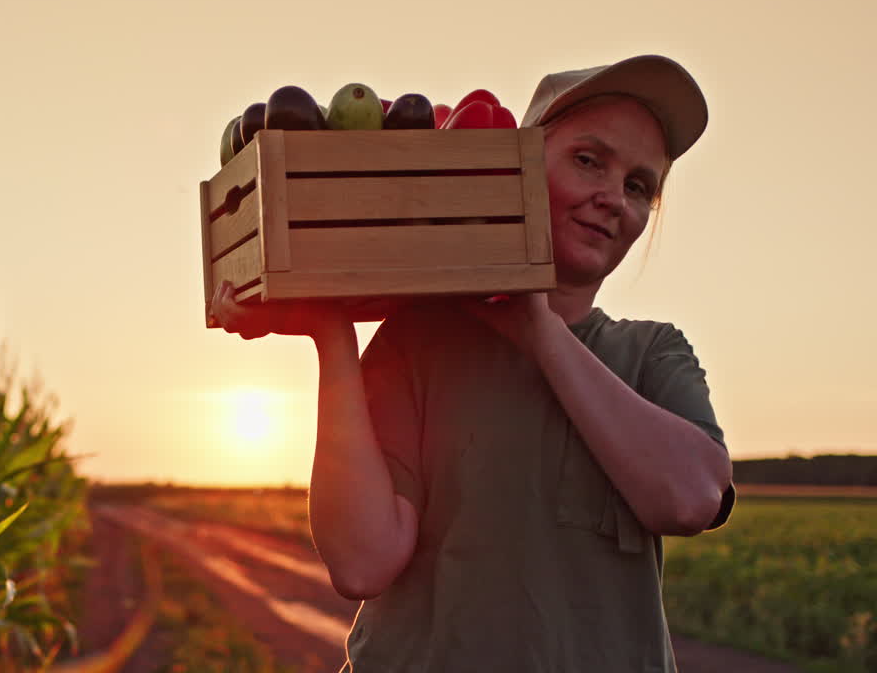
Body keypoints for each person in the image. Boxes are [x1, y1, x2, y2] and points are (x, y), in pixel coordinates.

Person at [207, 54, 736, 672]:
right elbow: (361, 560)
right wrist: (332, 333)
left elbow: (692, 498)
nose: (612, 198)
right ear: (512, 168)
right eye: (588, 161)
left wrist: (536, 327)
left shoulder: (651, 353)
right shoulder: (420, 342)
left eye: (639, 185)